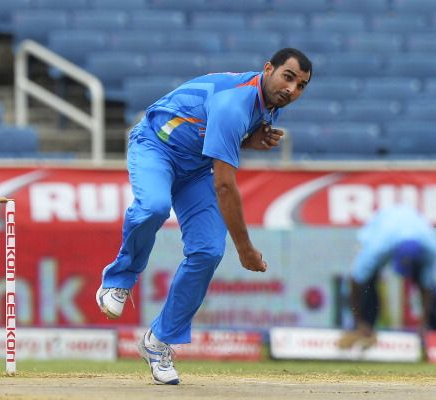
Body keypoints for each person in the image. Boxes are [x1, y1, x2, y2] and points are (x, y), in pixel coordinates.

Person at [96, 48, 312, 384]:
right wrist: (245, 249)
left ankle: (159, 342)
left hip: (195, 168)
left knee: (208, 251)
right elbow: (224, 186)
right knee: (153, 207)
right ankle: (118, 280)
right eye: (288, 77)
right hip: (156, 145)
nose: (292, 89)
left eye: (301, 86)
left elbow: (209, 129)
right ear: (268, 68)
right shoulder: (235, 104)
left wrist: (248, 140)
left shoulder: (269, 102)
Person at [338, 204, 436, 349]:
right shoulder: (378, 247)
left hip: (411, 229)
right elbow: (355, 281)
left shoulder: (431, 249)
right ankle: (363, 328)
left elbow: (427, 286)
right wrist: (358, 320)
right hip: (380, 226)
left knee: (430, 288)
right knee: (367, 283)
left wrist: (423, 324)